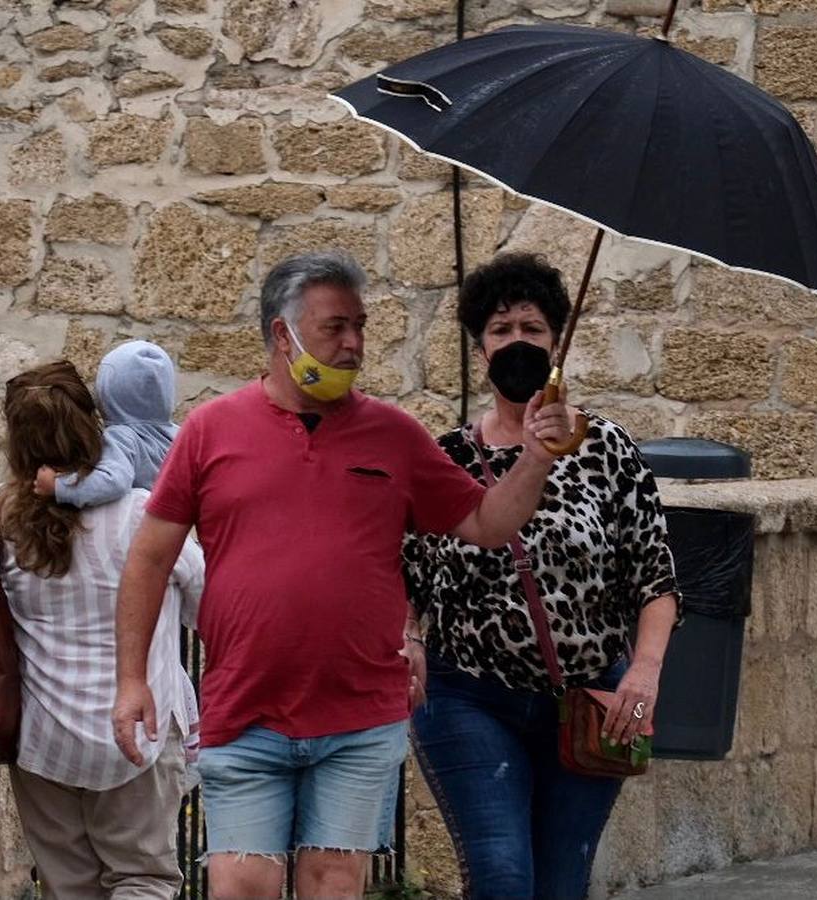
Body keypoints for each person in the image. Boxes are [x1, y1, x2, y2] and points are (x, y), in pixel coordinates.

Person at [110, 250, 572, 900]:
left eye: (359, 325)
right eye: (335, 327)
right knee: (242, 885)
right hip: (246, 710)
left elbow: (488, 523)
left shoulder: (394, 435)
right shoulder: (211, 430)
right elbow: (150, 557)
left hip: (360, 718)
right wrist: (132, 680)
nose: (354, 343)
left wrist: (536, 457)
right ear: (283, 333)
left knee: (334, 886)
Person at [402, 253, 682, 900]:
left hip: (586, 703)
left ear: (557, 343)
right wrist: (407, 640)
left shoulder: (607, 450)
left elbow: (655, 578)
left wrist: (644, 671)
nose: (517, 342)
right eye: (501, 330)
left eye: (532, 328)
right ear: (480, 348)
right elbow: (407, 575)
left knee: (560, 884)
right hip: (468, 696)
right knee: (501, 877)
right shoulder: (446, 460)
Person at [0, 360, 204, 897]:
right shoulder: (140, 514)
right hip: (133, 734)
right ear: (93, 426)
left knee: (67, 885)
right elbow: (207, 605)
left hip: (43, 736)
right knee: (143, 877)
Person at [33, 340, 179, 503]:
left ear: (107, 389)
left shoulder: (122, 437)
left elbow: (113, 482)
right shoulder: (179, 434)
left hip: (138, 521)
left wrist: (60, 486)